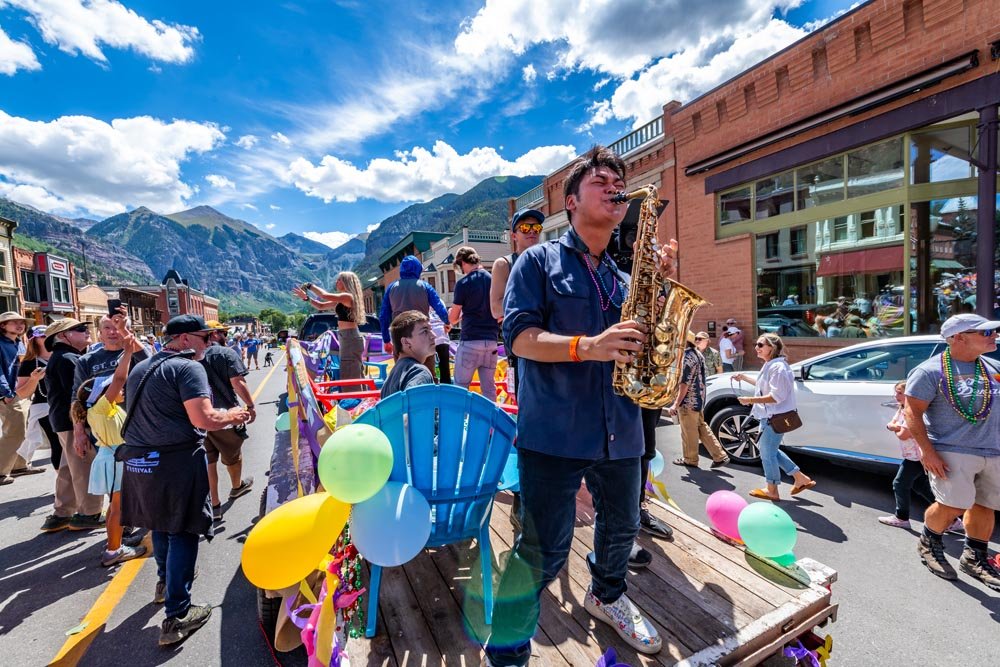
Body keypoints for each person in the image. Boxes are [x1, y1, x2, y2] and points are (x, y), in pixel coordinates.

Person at [486, 146, 677, 663]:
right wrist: (585, 346)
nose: (616, 186)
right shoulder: (536, 261)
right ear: (570, 202)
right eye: (602, 180)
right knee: (543, 553)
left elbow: (645, 345)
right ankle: (505, 652)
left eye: (620, 179)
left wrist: (657, 298)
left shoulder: (623, 276)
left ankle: (606, 594)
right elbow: (520, 339)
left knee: (623, 528)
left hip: (621, 427)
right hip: (554, 431)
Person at [118, 315, 251, 646]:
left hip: (140, 461)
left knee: (161, 525)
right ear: (186, 339)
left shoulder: (143, 366)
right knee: (184, 529)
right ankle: (177, 615)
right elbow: (203, 418)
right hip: (174, 460)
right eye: (206, 337)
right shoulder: (189, 368)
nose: (211, 342)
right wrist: (234, 414)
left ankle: (165, 584)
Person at [904, 313, 1000, 590]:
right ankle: (929, 543)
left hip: (993, 449)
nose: (992, 335)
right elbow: (912, 412)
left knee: (987, 505)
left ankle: (974, 557)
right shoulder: (930, 371)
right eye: (984, 332)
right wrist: (927, 451)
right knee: (953, 505)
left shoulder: (992, 366)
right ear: (958, 338)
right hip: (952, 448)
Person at [73, 331, 148, 567]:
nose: (119, 390)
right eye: (109, 390)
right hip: (116, 459)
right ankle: (114, 550)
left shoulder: (103, 410)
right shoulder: (102, 408)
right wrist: (127, 351)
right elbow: (118, 379)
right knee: (116, 507)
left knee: (117, 507)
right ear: (101, 396)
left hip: (113, 458)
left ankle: (115, 543)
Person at [734, 333, 816, 501]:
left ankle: (772, 489)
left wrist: (749, 400)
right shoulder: (772, 365)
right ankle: (800, 478)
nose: (756, 348)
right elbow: (764, 386)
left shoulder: (778, 368)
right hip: (770, 416)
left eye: (760, 345)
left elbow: (776, 396)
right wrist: (744, 378)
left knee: (767, 454)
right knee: (770, 450)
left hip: (774, 417)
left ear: (771, 348)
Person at [41, 319, 105, 533]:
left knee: (69, 468)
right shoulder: (69, 359)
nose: (86, 331)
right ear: (63, 336)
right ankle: (89, 512)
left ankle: (62, 512)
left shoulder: (62, 357)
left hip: (62, 421)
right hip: (72, 421)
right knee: (84, 466)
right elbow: (78, 395)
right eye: (79, 329)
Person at [878, 381, 964, 533]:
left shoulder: (913, 412)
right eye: (896, 392)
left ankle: (901, 518)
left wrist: (894, 427)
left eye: (900, 392)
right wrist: (894, 426)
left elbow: (904, 434)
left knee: (899, 484)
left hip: (918, 456)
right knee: (920, 486)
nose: (896, 396)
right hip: (914, 454)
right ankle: (952, 519)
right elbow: (893, 424)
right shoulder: (902, 409)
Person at [201, 321, 256, 520]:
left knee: (208, 461)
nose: (226, 336)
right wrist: (250, 406)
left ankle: (214, 504)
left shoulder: (190, 355)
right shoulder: (226, 353)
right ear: (214, 334)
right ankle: (236, 486)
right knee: (233, 455)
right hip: (225, 415)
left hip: (199, 416)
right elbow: (238, 382)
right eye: (223, 332)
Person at [491, 208, 544, 398]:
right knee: (522, 397)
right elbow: (495, 307)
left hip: (547, 340)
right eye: (525, 227)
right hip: (520, 345)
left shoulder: (547, 261)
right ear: (514, 235)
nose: (532, 231)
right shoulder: (504, 264)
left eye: (536, 227)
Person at [294, 273, 368, 389]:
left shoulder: (347, 296)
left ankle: (352, 402)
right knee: (352, 371)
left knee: (350, 373)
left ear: (346, 282)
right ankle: (357, 401)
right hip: (347, 337)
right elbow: (321, 306)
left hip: (350, 337)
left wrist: (309, 285)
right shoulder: (342, 299)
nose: (336, 282)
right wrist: (307, 298)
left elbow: (324, 295)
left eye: (339, 280)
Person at [669, 332, 730, 469]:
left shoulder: (687, 357)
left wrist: (676, 404)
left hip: (688, 402)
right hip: (699, 399)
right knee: (702, 427)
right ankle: (720, 456)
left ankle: (690, 459)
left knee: (689, 431)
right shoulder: (698, 354)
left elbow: (684, 383)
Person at [449, 246, 500, 402]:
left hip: (470, 341)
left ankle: (458, 425)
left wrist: (458, 314)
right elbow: (499, 314)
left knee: (460, 387)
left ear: (463, 263)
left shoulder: (463, 283)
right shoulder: (494, 281)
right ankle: (491, 426)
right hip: (491, 343)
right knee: (489, 390)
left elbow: (452, 318)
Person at [378, 255, 450, 355]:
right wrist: (446, 322)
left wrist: (386, 340)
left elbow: (383, 316)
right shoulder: (425, 286)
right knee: (426, 367)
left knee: (402, 367)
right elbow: (439, 306)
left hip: (399, 334)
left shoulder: (391, 288)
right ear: (418, 269)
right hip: (422, 332)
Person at [15, 326, 60, 472]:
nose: (47, 337)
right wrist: (34, 380)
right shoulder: (29, 363)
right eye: (42, 336)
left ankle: (74, 485)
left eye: (50, 334)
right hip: (44, 408)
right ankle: (64, 487)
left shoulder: (62, 355)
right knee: (58, 444)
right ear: (34, 340)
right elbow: (22, 393)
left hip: (67, 404)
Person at [0, 311, 34, 484]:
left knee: (24, 430)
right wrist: (6, 393)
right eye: (13, 322)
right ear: (3, 326)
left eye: (21, 322)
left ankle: (19, 465)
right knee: (13, 431)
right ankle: (1, 470)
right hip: (8, 394)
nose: (20, 325)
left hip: (22, 391)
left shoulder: (19, 343)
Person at [381, 310, 436, 399]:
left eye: (431, 330)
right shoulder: (418, 371)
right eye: (425, 331)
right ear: (406, 342)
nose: (434, 335)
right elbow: (415, 407)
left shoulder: (392, 374)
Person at [427, 311, 452, 384]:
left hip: (430, 337)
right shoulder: (440, 303)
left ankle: (430, 386)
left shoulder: (424, 301)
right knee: (445, 369)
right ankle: (446, 390)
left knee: (429, 367)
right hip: (442, 336)